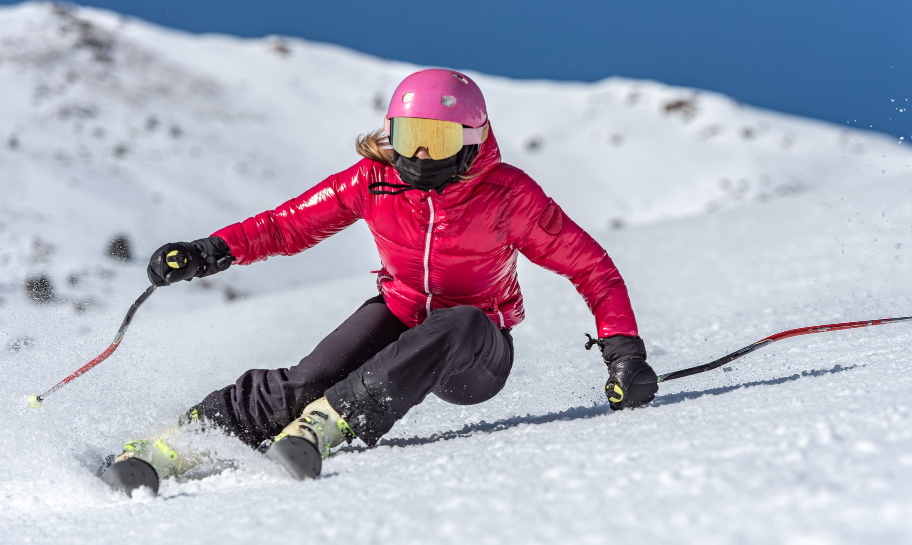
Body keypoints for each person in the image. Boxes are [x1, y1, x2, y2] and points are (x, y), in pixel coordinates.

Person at [118, 69, 658, 481]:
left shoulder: (509, 197)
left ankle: (328, 424)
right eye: (409, 135)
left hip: (476, 351)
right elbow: (287, 226)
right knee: (306, 379)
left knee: (461, 321)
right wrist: (209, 250)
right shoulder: (372, 180)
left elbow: (593, 269)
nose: (421, 153)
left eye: (439, 140)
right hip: (400, 309)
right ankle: (178, 444)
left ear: (472, 140)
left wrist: (624, 355)